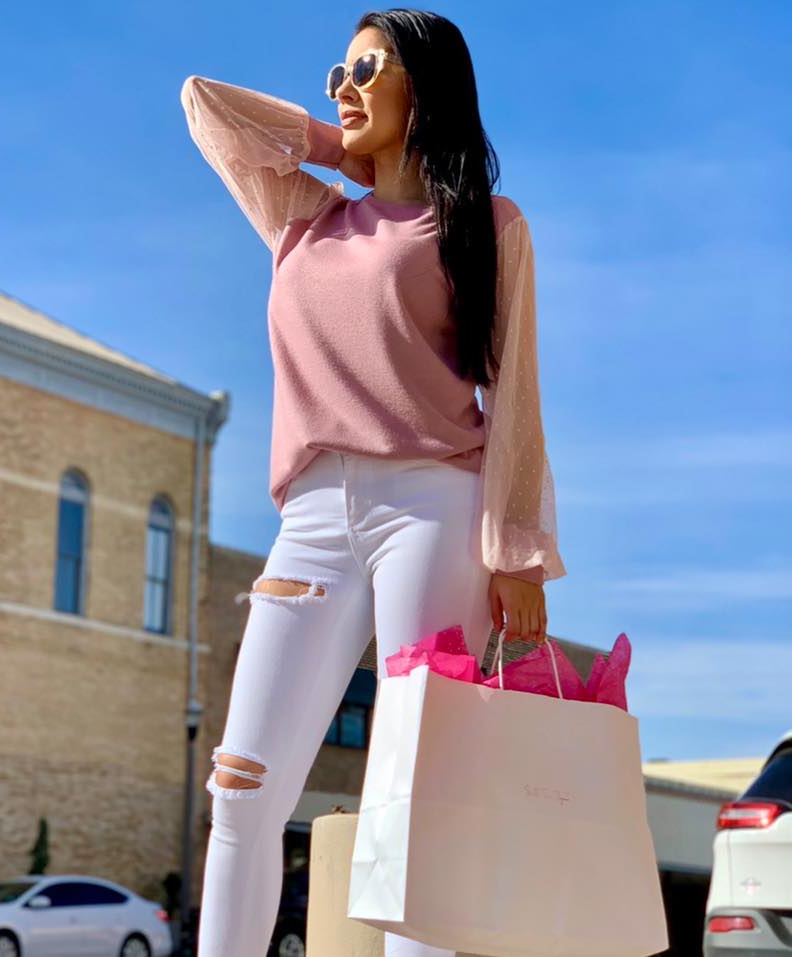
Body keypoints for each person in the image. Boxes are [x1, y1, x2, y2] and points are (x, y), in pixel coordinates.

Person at [179, 8, 566, 956]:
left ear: (425, 88)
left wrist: (516, 550)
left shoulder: (486, 225)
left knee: (418, 789)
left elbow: (515, 392)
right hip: (310, 519)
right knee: (241, 787)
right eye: (335, 70)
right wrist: (346, 149)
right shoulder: (305, 216)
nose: (339, 85)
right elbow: (205, 105)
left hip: (434, 508)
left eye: (366, 68)